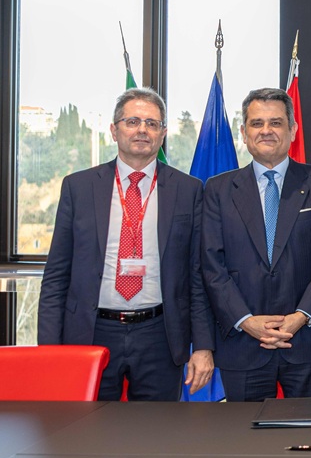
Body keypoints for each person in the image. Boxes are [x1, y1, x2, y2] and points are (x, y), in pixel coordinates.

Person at [38, 87, 214, 400]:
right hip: (91, 331)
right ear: (114, 129)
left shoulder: (188, 190)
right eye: (132, 121)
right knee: (87, 426)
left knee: (156, 428)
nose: (142, 130)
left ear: (162, 134)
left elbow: (197, 276)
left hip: (160, 335)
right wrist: (49, 350)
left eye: (152, 123)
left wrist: (202, 346)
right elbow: (56, 276)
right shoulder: (78, 187)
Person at [200, 88, 311, 401]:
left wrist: (300, 316)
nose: (266, 130)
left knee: (309, 430)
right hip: (242, 342)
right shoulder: (218, 190)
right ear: (243, 132)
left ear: (292, 130)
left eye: (276, 123)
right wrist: (246, 321)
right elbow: (211, 265)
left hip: (307, 340)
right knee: (244, 432)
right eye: (257, 123)